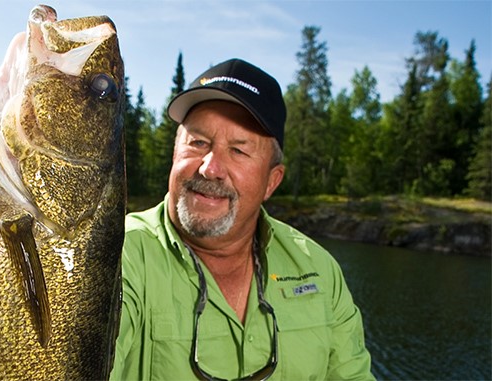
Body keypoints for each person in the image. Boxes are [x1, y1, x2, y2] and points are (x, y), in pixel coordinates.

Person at [109, 58, 375, 380]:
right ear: (175, 152)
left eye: (238, 150)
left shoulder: (319, 269)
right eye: (198, 143)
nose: (210, 168)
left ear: (271, 181)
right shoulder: (115, 255)